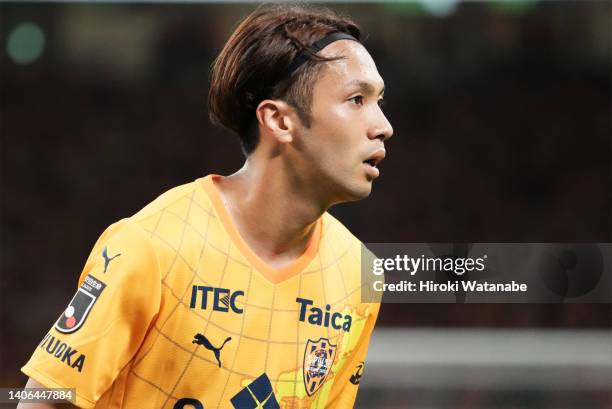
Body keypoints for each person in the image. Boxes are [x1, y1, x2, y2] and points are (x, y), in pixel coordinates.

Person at [19, 3, 393, 408]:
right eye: (356, 99)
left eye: (379, 101)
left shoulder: (360, 274)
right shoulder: (153, 248)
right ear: (280, 121)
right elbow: (43, 400)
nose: (383, 126)